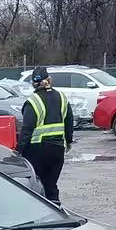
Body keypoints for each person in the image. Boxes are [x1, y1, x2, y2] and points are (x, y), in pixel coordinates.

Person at [15, 67, 74, 204]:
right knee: (51, 184)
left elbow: (27, 128)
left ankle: (42, 215)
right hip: (58, 149)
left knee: (38, 186)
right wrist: (68, 141)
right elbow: (69, 121)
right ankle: (56, 210)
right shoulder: (62, 98)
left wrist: (19, 150)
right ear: (49, 80)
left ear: (33, 83)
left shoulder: (34, 101)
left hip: (37, 150)